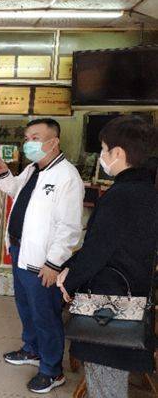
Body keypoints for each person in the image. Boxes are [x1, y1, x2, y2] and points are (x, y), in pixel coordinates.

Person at [57, 116, 157, 398]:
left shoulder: (121, 196)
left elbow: (97, 250)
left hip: (108, 308)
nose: (101, 156)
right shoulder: (147, 192)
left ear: (118, 153)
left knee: (105, 384)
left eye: (103, 149)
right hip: (133, 300)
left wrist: (69, 280)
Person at [0, 118, 84, 394]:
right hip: (21, 251)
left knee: (46, 315)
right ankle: (32, 349)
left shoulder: (67, 177)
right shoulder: (33, 169)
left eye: (35, 138)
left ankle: (52, 370)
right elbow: (14, 190)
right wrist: (4, 174)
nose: (28, 143)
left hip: (44, 262)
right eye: (27, 138)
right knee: (26, 307)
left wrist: (54, 263)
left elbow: (69, 228)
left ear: (53, 142)